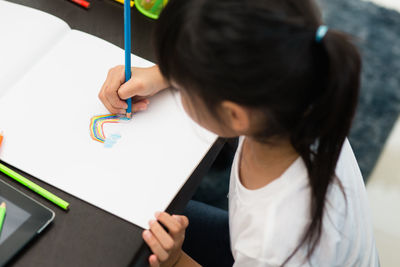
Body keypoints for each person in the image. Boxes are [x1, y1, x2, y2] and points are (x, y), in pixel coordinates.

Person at [99, 0, 379, 266]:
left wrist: (175, 261)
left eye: (185, 85)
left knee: (128, 231)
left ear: (235, 115)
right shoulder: (298, 91)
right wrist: (163, 74)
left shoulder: (272, 242)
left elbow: (265, 251)